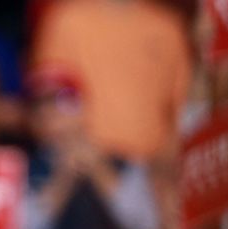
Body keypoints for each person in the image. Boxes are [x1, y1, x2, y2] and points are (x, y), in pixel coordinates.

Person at [23, 66, 161, 229]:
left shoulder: (123, 163)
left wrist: (100, 170)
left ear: (84, 108)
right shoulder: (24, 169)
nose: (51, 113)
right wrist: (63, 180)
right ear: (32, 120)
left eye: (62, 100)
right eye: (40, 105)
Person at [32, 0, 192, 162]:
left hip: (149, 168)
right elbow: (47, 107)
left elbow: (182, 109)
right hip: (80, 166)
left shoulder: (167, 27)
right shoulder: (68, 21)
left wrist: (161, 169)